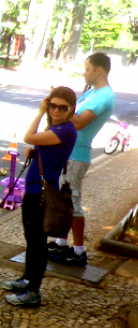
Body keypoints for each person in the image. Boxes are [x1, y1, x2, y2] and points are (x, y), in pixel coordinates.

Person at [3, 87, 78, 307]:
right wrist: (36, 152)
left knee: (38, 243)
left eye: (61, 107)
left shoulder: (66, 129)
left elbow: (28, 136)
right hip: (35, 188)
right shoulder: (56, 127)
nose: (55, 110)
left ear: (71, 109)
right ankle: (27, 279)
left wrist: (39, 112)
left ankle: (33, 291)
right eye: (52, 105)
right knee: (32, 240)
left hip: (42, 193)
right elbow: (45, 148)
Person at [48, 52, 117, 266]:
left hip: (77, 155)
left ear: (99, 70)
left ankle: (78, 251)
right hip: (68, 152)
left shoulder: (105, 96)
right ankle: (61, 241)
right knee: (64, 200)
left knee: (73, 201)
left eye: (87, 69)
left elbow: (78, 123)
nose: (84, 73)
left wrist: (58, 104)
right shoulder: (91, 93)